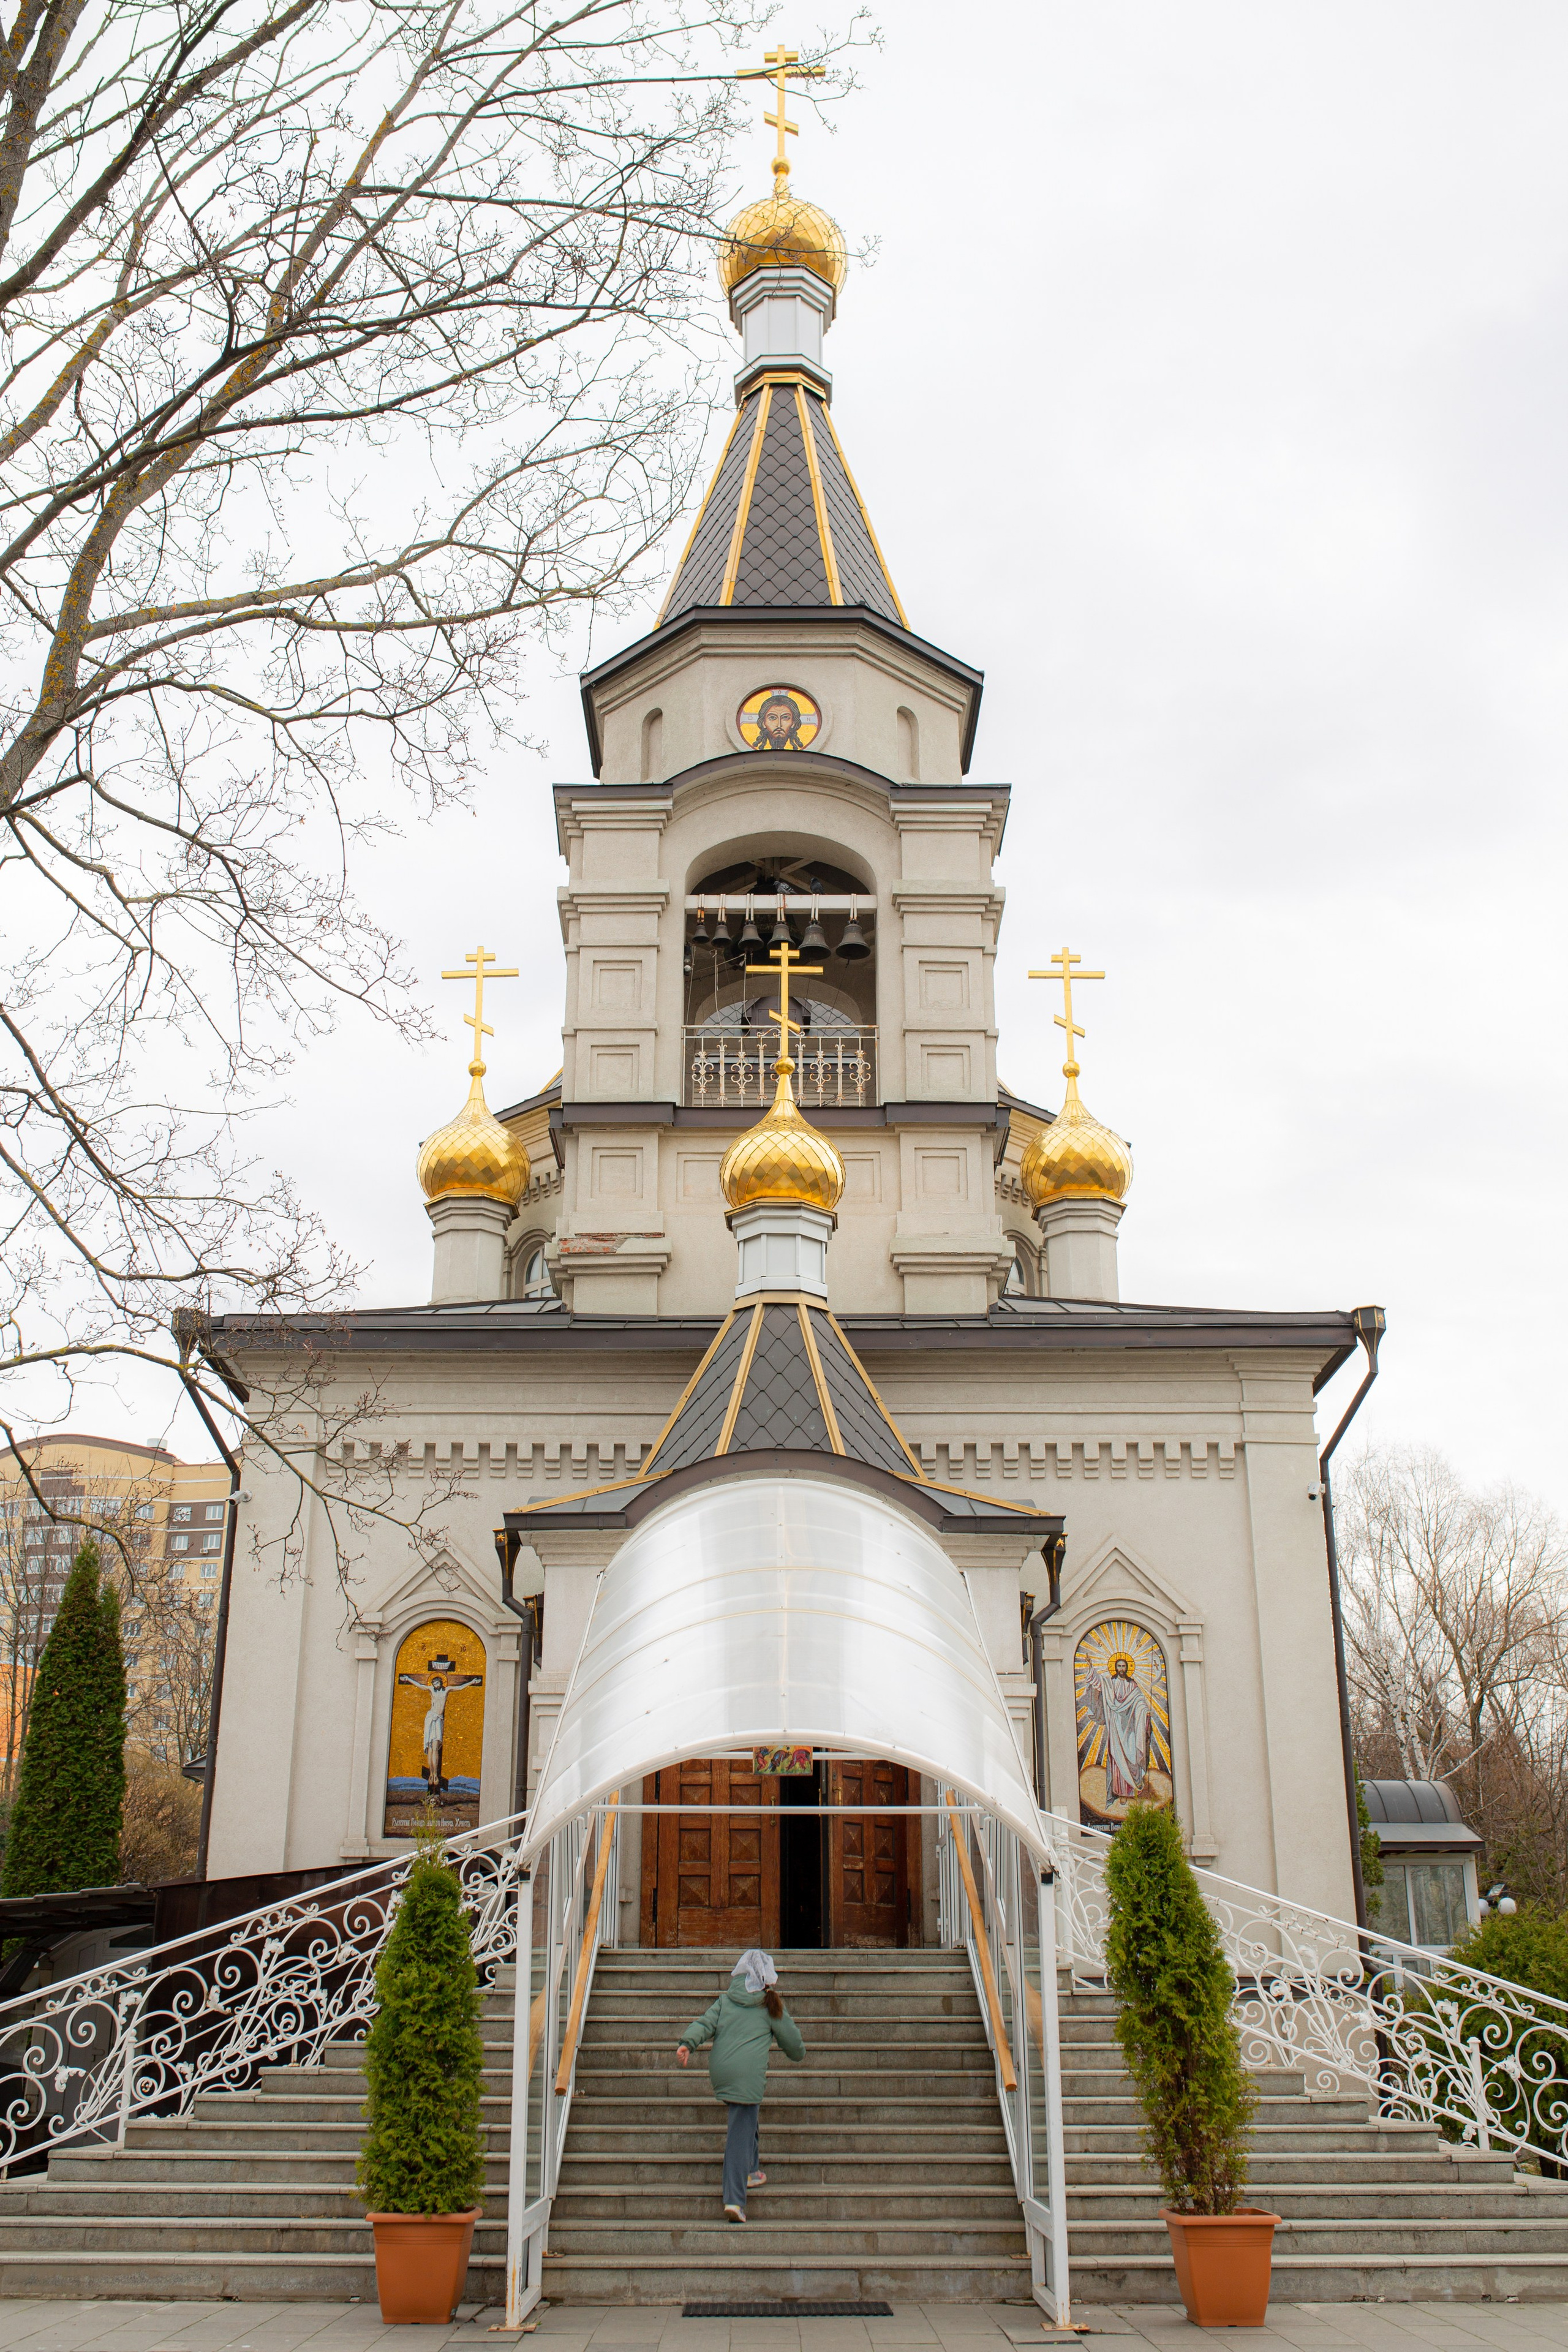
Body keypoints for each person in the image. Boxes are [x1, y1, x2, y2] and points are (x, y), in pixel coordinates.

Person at [676, 1948, 804, 2223]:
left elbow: (705, 2023)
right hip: (747, 2075)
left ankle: (753, 2170)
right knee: (739, 2134)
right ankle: (734, 2199)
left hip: (722, 2070)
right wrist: (799, 2053)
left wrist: (688, 2043)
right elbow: (793, 2043)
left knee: (748, 2115)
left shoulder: (725, 2000)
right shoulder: (770, 2005)